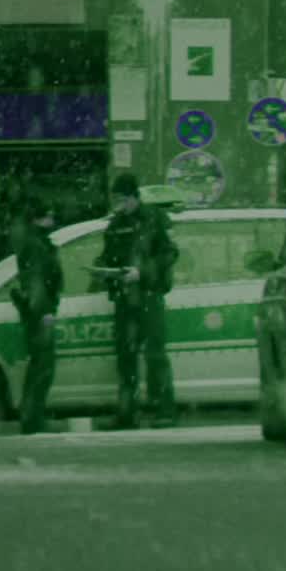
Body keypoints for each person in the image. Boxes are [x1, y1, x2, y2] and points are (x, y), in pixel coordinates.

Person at [94, 170, 182, 429]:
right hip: (124, 299)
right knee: (126, 357)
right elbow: (108, 256)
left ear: (134, 197)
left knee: (155, 356)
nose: (118, 204)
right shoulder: (115, 225)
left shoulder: (154, 219)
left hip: (148, 296)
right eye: (115, 199)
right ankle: (127, 414)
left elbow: (169, 254)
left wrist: (142, 273)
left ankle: (165, 411)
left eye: (122, 199)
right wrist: (103, 271)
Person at [9, 195, 66, 434]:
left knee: (40, 366)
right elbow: (38, 284)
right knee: (43, 367)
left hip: (36, 312)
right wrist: (45, 312)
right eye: (49, 216)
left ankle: (32, 417)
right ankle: (33, 419)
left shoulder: (34, 243)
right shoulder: (37, 246)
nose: (52, 220)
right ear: (38, 219)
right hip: (40, 314)